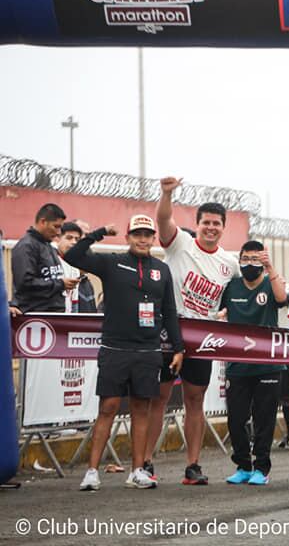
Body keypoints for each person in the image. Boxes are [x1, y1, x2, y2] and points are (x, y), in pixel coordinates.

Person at [65, 216, 184, 491]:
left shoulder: (162, 270)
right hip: (114, 349)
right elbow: (72, 255)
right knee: (107, 407)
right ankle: (92, 473)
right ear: (128, 237)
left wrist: (178, 348)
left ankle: (137, 471)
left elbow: (169, 312)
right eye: (137, 234)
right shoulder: (111, 262)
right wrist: (98, 232)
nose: (142, 239)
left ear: (153, 238)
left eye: (147, 235)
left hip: (148, 351)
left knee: (141, 410)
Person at [147, 177, 241, 485]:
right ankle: (144, 463)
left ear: (223, 228)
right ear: (197, 224)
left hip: (202, 335)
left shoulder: (230, 263)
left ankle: (193, 465)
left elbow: (240, 295)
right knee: (159, 397)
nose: (211, 228)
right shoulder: (181, 244)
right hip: (169, 328)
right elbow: (163, 220)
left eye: (217, 224)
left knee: (195, 399)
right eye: (206, 223)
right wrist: (166, 194)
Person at [219, 240, 287, 486]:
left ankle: (261, 468)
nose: (250, 264)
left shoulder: (271, 282)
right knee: (236, 419)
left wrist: (270, 267)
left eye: (255, 259)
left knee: (264, 419)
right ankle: (243, 465)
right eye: (245, 259)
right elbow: (216, 311)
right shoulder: (232, 286)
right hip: (237, 364)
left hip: (268, 364)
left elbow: (281, 298)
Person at [11, 203, 78, 314]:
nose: (58, 232)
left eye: (60, 227)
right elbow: (25, 284)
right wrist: (60, 284)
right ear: (43, 222)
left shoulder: (49, 246)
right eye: (56, 226)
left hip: (54, 314)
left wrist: (63, 284)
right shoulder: (26, 247)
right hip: (36, 315)